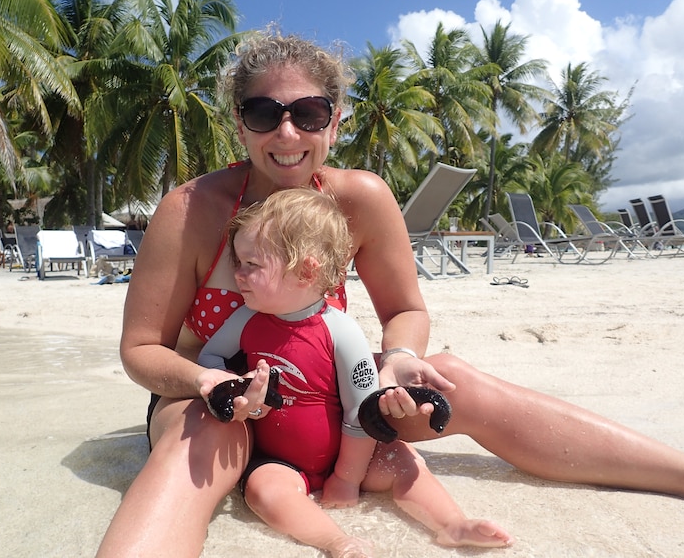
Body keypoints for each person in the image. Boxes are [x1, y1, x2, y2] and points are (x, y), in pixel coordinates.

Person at [97, 32, 684, 557]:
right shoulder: (190, 210)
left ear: (336, 119)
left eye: (308, 112)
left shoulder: (359, 198)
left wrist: (400, 356)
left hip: (326, 403)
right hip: (211, 395)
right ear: (241, 123)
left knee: (454, 380)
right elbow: (139, 350)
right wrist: (212, 385)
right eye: (265, 113)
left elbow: (404, 310)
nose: (287, 133)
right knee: (203, 433)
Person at [196, 188, 512, 556]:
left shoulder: (339, 330)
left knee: (403, 461)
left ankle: (452, 525)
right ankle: (335, 540)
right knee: (263, 491)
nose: (238, 274)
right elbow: (211, 357)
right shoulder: (246, 318)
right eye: (238, 262)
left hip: (353, 456)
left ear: (305, 270)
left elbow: (361, 411)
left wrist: (347, 478)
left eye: (252, 264)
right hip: (280, 461)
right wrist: (232, 385)